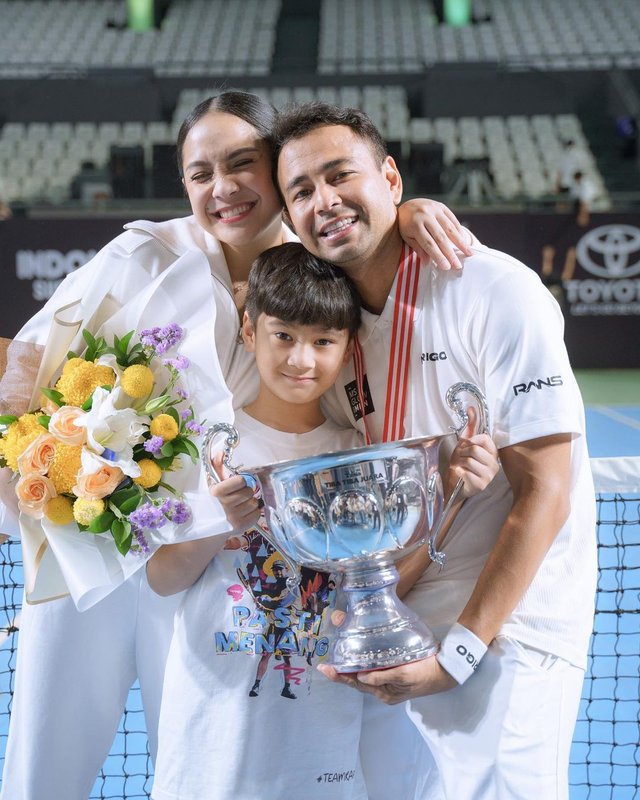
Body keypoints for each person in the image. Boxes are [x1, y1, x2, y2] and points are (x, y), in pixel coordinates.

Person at [0, 90, 470, 800]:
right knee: (45, 760)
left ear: (277, 168)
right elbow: (30, 364)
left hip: (201, 570)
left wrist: (407, 214)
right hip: (93, 550)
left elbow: (368, 241)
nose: (222, 188)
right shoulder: (143, 254)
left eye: (242, 164)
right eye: (201, 173)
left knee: (189, 749)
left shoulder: (314, 268)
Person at [271, 102, 597, 800]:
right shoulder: (333, 331)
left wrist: (459, 655)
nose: (324, 200)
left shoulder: (493, 289)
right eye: (301, 191)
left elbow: (547, 492)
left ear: (390, 178)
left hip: (505, 637)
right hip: (402, 632)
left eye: (340, 175)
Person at [146, 243, 498, 800]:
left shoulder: (360, 454)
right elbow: (162, 579)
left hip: (324, 730)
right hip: (212, 730)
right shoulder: (205, 445)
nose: (301, 359)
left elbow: (381, 586)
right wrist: (218, 520)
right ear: (250, 331)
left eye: (323, 341)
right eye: (283, 335)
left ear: (348, 345)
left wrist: (454, 495)